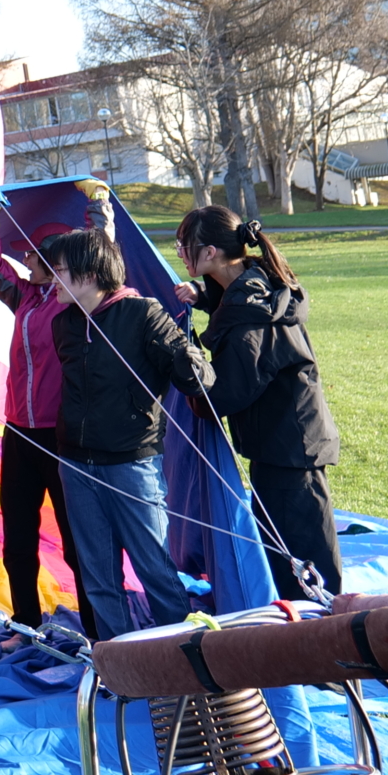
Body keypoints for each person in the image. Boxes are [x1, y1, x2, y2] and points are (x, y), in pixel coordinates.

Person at [43, 226, 216, 640]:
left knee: (154, 569)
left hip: (131, 465)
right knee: (98, 576)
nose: (51, 279)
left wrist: (190, 362)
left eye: (59, 270)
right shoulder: (63, 323)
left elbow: (196, 377)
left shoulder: (142, 314)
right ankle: (119, 661)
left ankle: (182, 653)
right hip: (75, 464)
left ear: (89, 274)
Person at [175, 206, 345, 599]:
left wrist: (184, 357)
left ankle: (327, 624)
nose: (180, 253)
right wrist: (204, 298)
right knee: (285, 549)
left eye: (185, 245)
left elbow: (219, 396)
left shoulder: (251, 318)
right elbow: (235, 310)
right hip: (284, 440)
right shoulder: (254, 287)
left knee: (303, 557)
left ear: (211, 252)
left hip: (289, 449)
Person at [0, 182, 102, 637]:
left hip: (61, 437)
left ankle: (98, 629)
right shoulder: (24, 295)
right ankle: (26, 622)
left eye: (35, 256)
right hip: (19, 433)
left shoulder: (78, 304)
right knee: (18, 537)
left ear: (57, 262)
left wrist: (97, 207)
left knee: (76, 540)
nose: (26, 261)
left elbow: (100, 256)